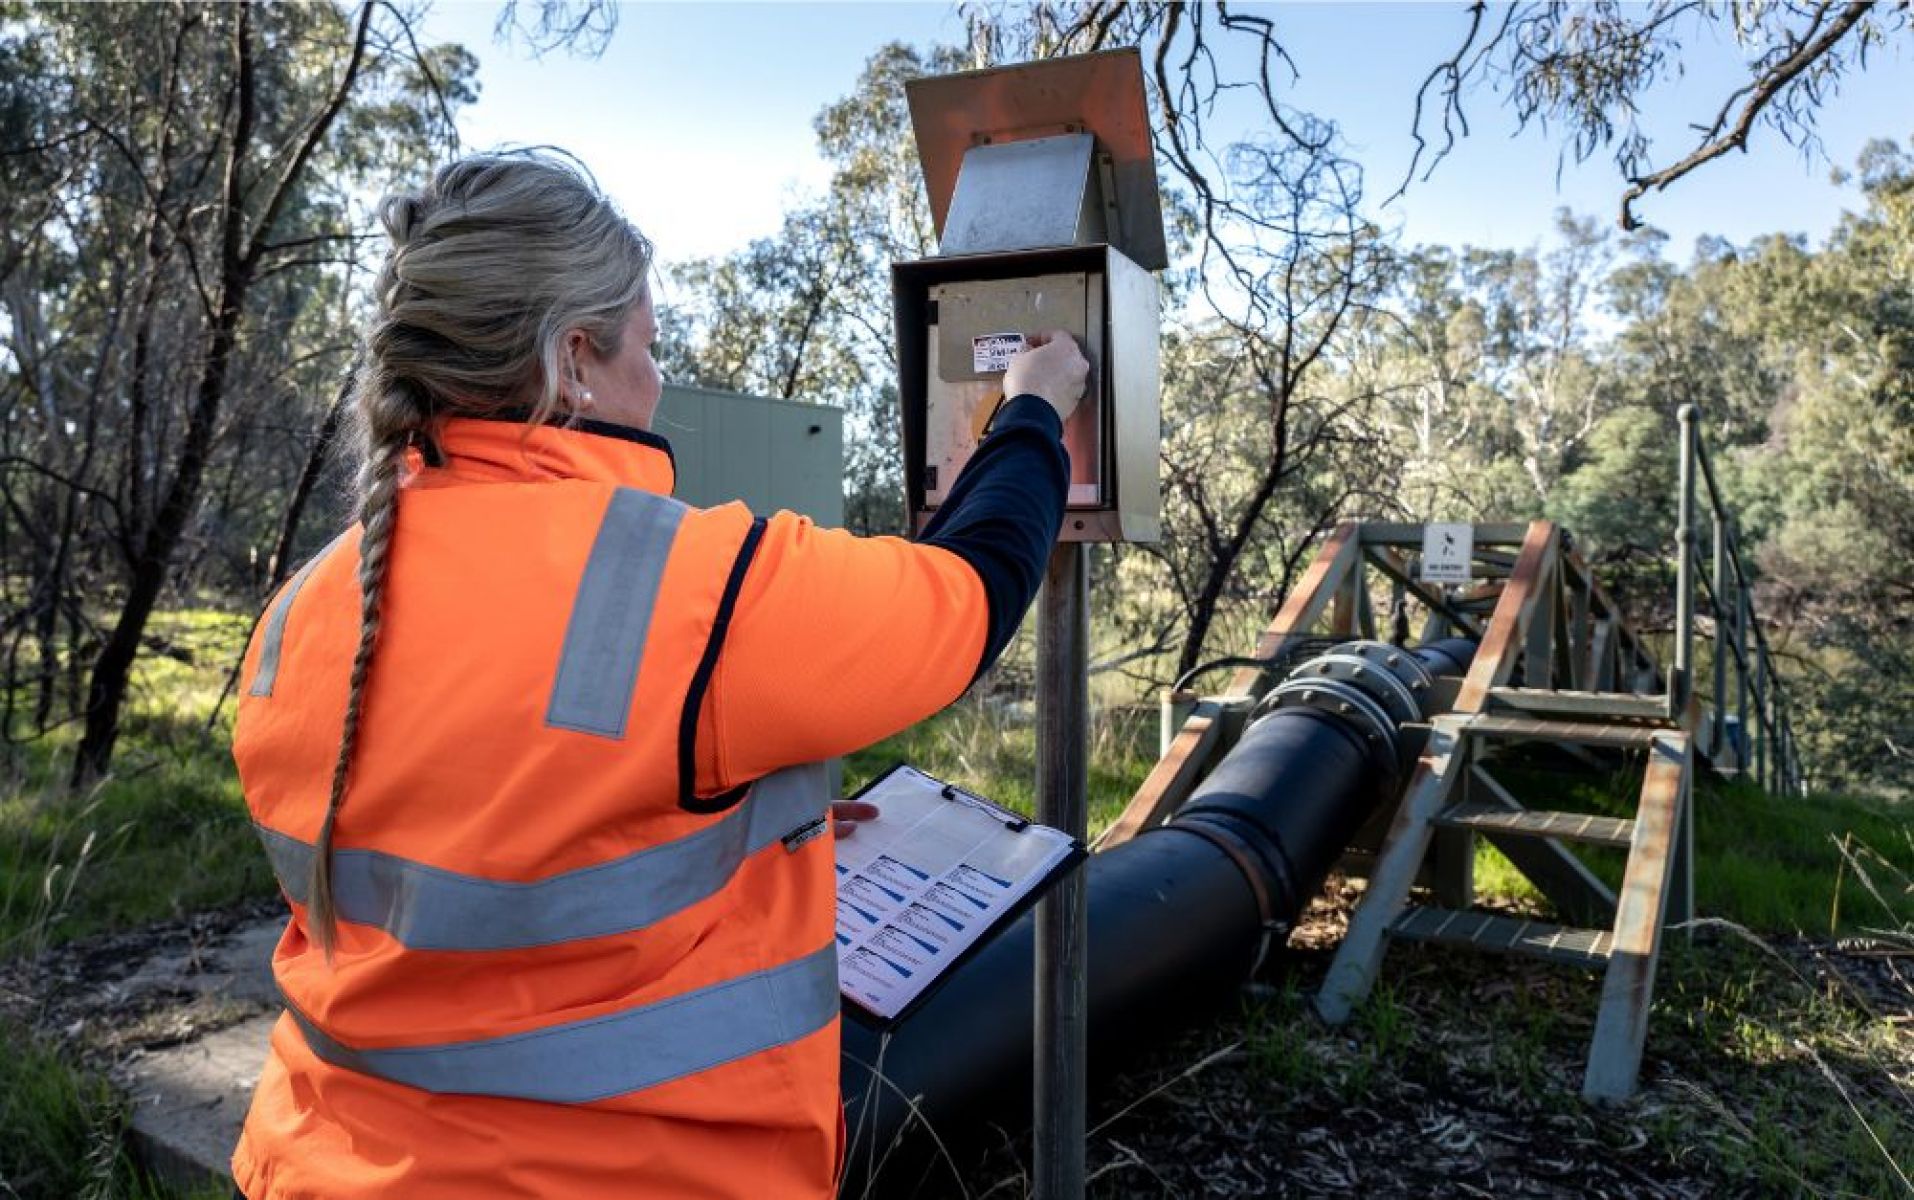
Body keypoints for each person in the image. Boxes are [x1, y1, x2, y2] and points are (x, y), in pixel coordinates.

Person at [230, 152, 1085, 1198]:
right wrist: (1034, 411)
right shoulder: (694, 587)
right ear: (575, 357)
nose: (660, 376)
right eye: (649, 344)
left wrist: (752, 835)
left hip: (315, 1162)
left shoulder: (306, 609)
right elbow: (967, 595)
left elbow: (504, 844)